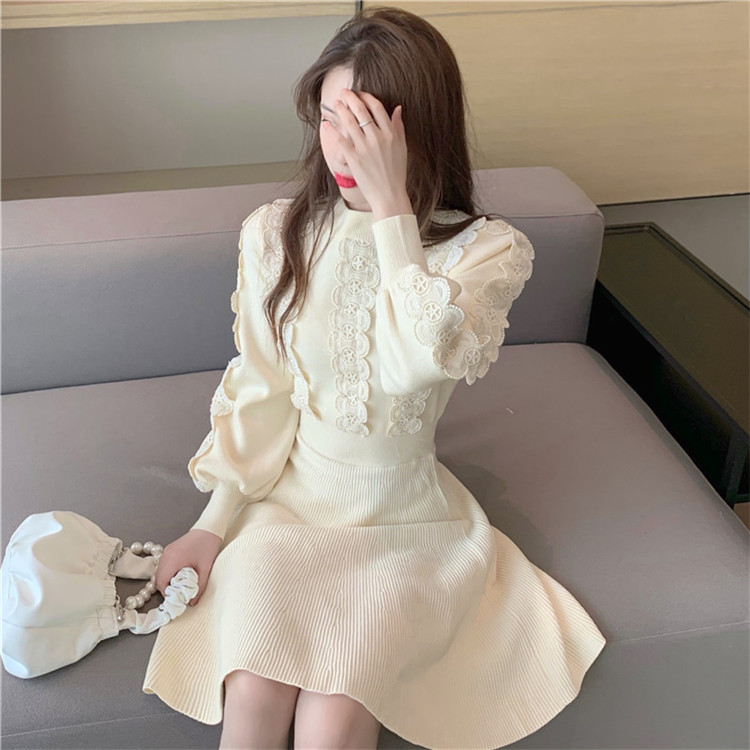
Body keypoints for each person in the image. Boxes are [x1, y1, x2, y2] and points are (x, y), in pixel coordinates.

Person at [142, 7, 607, 750]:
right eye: (330, 119)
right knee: (252, 697)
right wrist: (212, 523)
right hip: (287, 509)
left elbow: (411, 362)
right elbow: (263, 388)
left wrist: (391, 209)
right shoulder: (275, 232)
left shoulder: (487, 251)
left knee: (334, 719)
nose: (342, 145)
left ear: (416, 128)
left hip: (404, 523)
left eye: (364, 125)